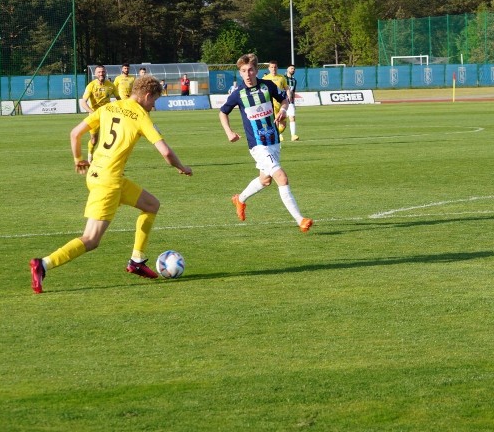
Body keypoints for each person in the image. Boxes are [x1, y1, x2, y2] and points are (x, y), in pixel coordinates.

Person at [30, 75, 193, 294]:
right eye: (154, 100)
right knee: (91, 239)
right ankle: (44, 264)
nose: (154, 105)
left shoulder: (109, 108)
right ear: (146, 96)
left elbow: (75, 133)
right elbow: (166, 152)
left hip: (98, 174)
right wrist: (182, 167)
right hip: (109, 183)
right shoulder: (141, 116)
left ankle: (137, 259)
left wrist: (78, 158)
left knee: (151, 205)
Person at [220, 53, 313, 233]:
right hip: (257, 145)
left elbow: (284, 100)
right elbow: (222, 112)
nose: (247, 74)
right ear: (240, 73)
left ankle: (240, 199)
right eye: (243, 71)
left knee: (265, 180)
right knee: (281, 177)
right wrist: (229, 132)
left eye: (250, 70)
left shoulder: (267, 86)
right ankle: (300, 219)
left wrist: (284, 110)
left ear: (256, 71)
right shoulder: (238, 94)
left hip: (274, 140)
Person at [80, 64, 118, 161]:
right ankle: (90, 156)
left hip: (107, 116)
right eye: (99, 72)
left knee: (109, 138)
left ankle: (107, 160)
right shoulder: (91, 85)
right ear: (95, 74)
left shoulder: (111, 85)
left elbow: (119, 100)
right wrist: (92, 112)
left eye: (103, 72)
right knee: (94, 140)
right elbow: (83, 102)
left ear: (105, 72)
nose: (101, 74)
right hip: (94, 116)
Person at [262, 60, 289, 133]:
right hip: (271, 103)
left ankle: (277, 134)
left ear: (277, 68)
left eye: (275, 67)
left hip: (281, 103)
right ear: (269, 68)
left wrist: (289, 97)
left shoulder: (282, 77)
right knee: (275, 121)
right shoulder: (265, 79)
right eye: (272, 67)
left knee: (283, 125)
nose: (273, 69)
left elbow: (286, 88)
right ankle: (276, 138)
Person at [284, 65, 299, 141]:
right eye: (291, 68)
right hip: (282, 101)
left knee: (292, 117)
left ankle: (293, 135)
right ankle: (279, 135)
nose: (293, 70)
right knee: (282, 119)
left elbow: (293, 92)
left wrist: (294, 103)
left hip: (290, 102)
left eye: (294, 69)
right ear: (287, 69)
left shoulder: (294, 80)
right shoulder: (283, 78)